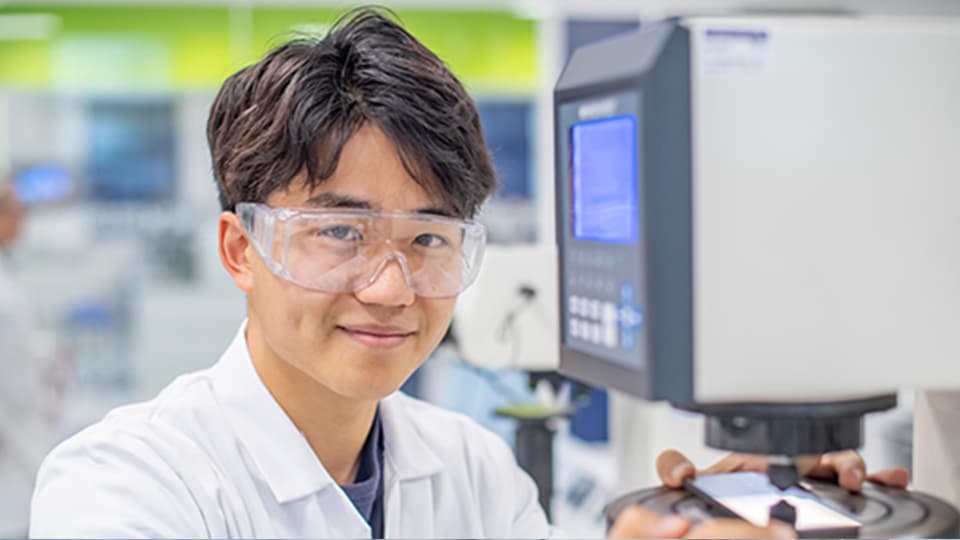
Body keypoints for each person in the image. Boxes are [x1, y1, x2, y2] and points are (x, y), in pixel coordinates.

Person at [28, 8, 908, 539]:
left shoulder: (472, 470)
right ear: (238, 251)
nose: (390, 288)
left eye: (428, 239)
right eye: (340, 230)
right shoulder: (125, 483)